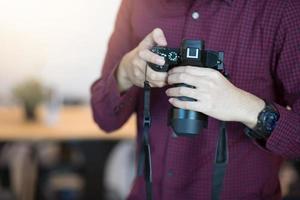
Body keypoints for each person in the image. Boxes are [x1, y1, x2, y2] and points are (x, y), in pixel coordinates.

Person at [91, 0, 300, 199]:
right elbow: (103, 117)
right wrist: (125, 73)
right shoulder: (137, 4)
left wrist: (246, 108)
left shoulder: (282, 9)